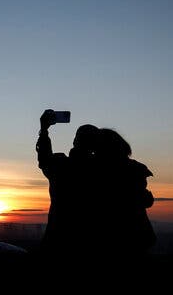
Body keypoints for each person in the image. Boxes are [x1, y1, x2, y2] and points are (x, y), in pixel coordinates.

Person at [36, 110, 99, 254]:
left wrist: (44, 129)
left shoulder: (61, 166)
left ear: (75, 140)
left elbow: (44, 159)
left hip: (58, 237)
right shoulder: (101, 170)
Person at [93, 128, 156, 256]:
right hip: (137, 234)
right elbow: (143, 199)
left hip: (110, 236)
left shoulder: (96, 169)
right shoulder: (135, 168)